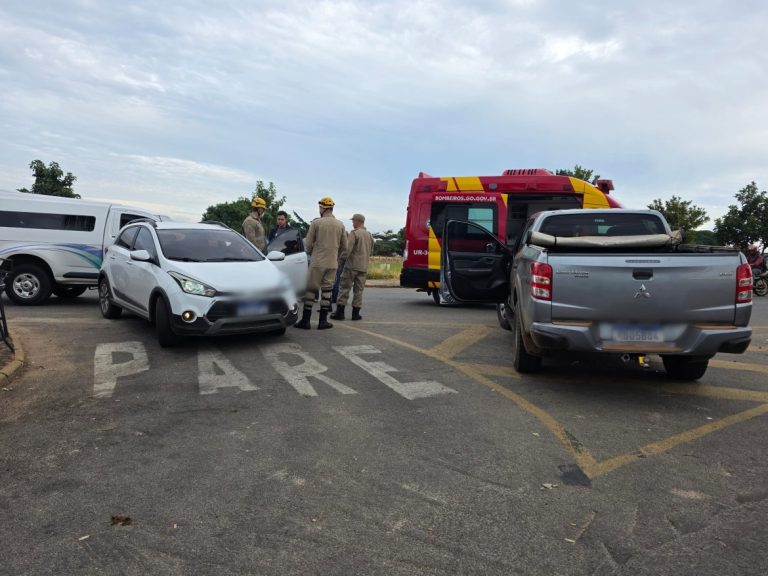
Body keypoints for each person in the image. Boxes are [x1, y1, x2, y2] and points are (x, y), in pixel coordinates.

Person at [294, 197, 347, 330]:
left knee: (311, 290)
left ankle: (305, 321)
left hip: (317, 262)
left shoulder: (316, 223)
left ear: (322, 208)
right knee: (327, 291)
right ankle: (323, 321)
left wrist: (312, 253)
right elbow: (344, 247)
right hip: (332, 263)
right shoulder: (340, 225)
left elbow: (309, 244)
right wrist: (336, 257)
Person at [331, 213, 374, 321]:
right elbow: (371, 252)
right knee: (359, 291)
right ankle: (356, 314)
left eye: (353, 221)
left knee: (344, 289)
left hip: (351, 267)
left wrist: (340, 260)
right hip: (363, 267)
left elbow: (347, 250)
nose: (352, 223)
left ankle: (340, 313)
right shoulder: (369, 235)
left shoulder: (354, 233)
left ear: (358, 221)